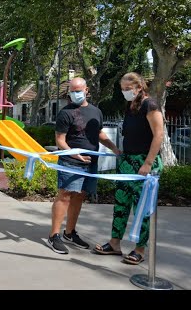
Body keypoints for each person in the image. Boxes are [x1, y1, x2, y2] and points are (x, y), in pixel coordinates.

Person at [94, 72, 163, 265]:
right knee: (121, 204)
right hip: (128, 160)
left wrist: (148, 163)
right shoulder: (131, 106)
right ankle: (115, 243)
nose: (125, 92)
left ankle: (139, 249)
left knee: (142, 208)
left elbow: (158, 135)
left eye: (128, 89)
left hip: (145, 161)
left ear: (139, 87)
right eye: (122, 89)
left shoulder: (151, 105)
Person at [47, 77, 121, 255]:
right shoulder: (65, 113)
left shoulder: (96, 111)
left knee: (79, 196)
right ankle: (54, 235)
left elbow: (99, 133)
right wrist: (75, 154)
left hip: (90, 164)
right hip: (70, 162)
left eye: (78, 90)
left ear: (86, 90)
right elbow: (60, 141)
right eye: (72, 91)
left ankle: (69, 233)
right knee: (64, 195)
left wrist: (113, 147)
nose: (75, 93)